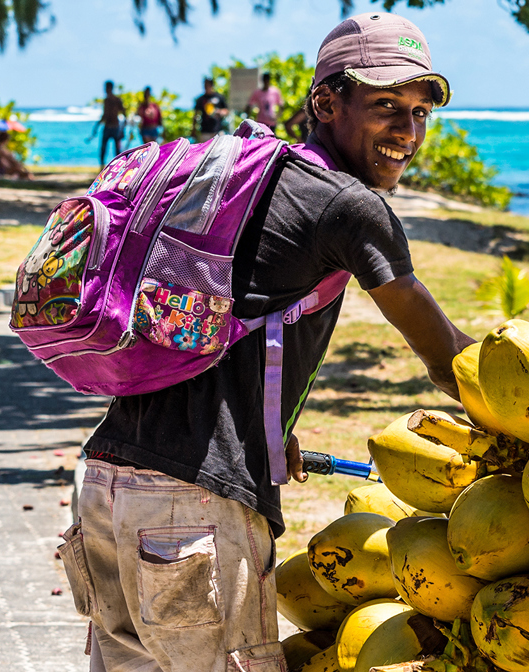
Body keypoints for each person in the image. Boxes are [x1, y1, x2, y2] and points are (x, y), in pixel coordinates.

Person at [69, 12, 467, 672]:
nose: (408, 131)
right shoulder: (348, 207)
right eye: (387, 106)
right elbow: (448, 356)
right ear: (325, 102)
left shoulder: (257, 178)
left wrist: (264, 427)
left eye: (422, 112)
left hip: (109, 483)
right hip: (189, 506)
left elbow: (240, 309)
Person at [94, 81, 126, 166]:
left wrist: (122, 129)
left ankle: (119, 166)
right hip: (107, 127)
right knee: (103, 149)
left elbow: (124, 113)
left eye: (107, 88)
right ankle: (102, 166)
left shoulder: (116, 100)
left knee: (117, 150)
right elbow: (105, 115)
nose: (105, 90)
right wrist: (96, 127)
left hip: (115, 127)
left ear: (110, 88)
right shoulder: (106, 100)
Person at [191, 77, 229, 142]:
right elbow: (196, 115)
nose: (205, 87)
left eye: (207, 85)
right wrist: (193, 130)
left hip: (217, 131)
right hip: (204, 131)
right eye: (205, 85)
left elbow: (226, 111)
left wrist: (219, 112)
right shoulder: (201, 99)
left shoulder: (219, 97)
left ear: (212, 85)